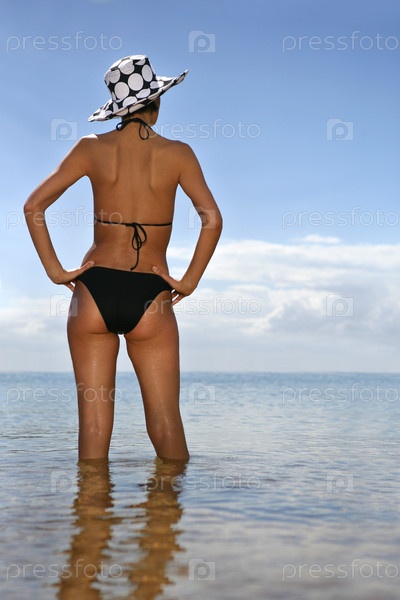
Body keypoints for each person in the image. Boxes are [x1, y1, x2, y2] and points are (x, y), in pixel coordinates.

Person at [24, 55, 222, 462]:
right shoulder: (179, 154)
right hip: (152, 293)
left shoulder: (90, 148)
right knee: (166, 422)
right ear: (156, 103)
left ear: (118, 108)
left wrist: (56, 272)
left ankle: (91, 504)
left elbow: (33, 206)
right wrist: (189, 281)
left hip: (93, 290)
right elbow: (212, 220)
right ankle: (169, 502)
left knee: (94, 427)